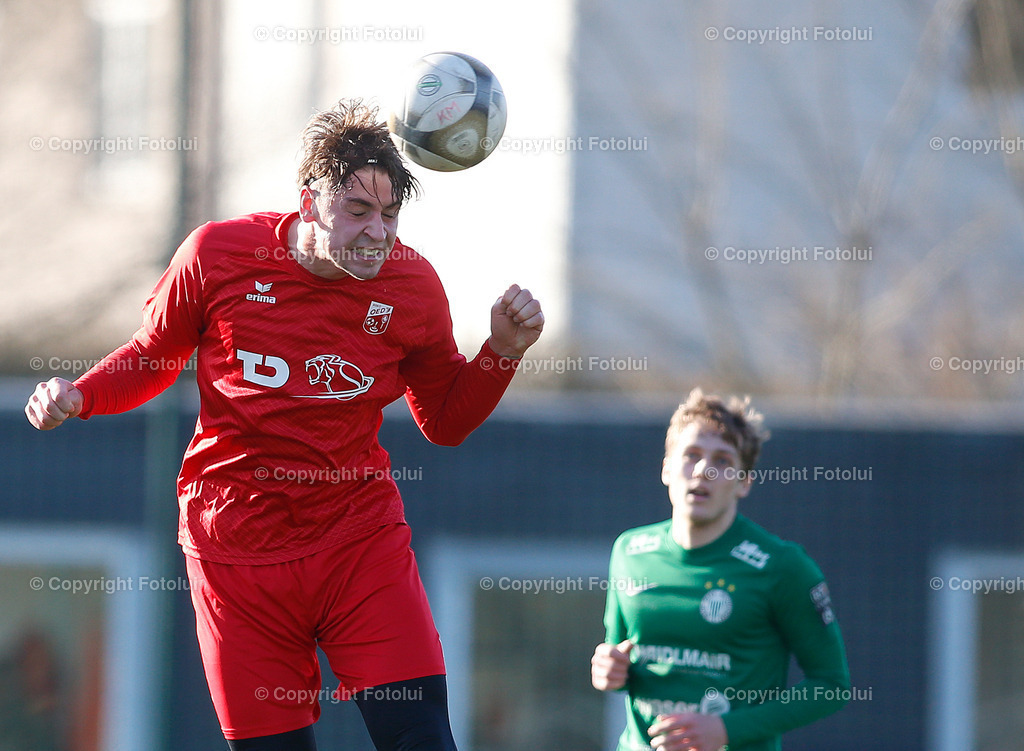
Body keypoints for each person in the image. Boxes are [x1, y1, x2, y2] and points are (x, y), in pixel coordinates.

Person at [25, 99, 544, 751]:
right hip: (235, 552)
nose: (377, 232)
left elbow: (443, 421)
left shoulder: (412, 287)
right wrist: (80, 394)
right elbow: (155, 353)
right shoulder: (219, 253)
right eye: (358, 211)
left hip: (357, 542)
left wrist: (502, 351)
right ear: (308, 203)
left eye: (389, 214)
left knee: (420, 738)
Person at [590, 388, 849, 751]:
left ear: (744, 482)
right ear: (666, 469)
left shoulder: (782, 567)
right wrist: (608, 670)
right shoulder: (630, 551)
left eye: (723, 461)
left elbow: (831, 686)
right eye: (691, 455)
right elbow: (617, 655)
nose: (703, 470)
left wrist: (728, 729)